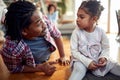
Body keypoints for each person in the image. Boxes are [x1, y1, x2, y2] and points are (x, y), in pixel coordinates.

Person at [0, 1, 69, 75]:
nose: (44, 25)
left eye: (42, 18)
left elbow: (57, 35)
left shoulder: (43, 21)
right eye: (39, 23)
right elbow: (15, 68)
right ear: (24, 31)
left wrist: (63, 56)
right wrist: (40, 68)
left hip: (49, 57)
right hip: (30, 68)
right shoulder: (11, 49)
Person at [69, 0, 120, 80]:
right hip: (81, 60)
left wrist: (103, 57)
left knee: (114, 65)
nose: (77, 19)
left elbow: (106, 48)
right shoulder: (76, 32)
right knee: (79, 69)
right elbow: (74, 52)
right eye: (77, 16)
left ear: (94, 19)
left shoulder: (101, 32)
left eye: (81, 17)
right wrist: (87, 62)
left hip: (97, 58)